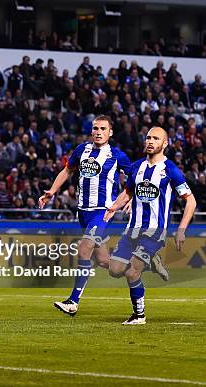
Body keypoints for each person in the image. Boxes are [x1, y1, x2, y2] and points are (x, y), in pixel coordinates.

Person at [39, 115, 136, 316]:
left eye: (103, 129)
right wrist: (52, 191)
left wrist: (132, 198)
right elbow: (67, 170)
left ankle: (73, 301)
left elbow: (136, 178)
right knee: (103, 261)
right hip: (83, 212)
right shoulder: (81, 150)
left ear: (110, 132)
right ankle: (134, 270)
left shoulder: (117, 155)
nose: (98, 132)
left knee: (84, 249)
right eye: (95, 128)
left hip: (102, 212)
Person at [104, 126, 196, 324]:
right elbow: (128, 192)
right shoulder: (136, 167)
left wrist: (181, 230)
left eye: (156, 138)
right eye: (148, 137)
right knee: (115, 269)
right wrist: (113, 207)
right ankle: (153, 262)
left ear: (165, 143)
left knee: (132, 272)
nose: (150, 141)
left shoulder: (170, 170)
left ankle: (139, 315)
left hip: (155, 230)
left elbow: (191, 201)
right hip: (133, 228)